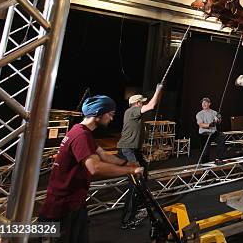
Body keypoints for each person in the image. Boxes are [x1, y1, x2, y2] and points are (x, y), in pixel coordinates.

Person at [38, 95, 144, 243]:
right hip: (62, 208)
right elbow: (95, 167)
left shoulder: (81, 131)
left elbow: (104, 156)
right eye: (110, 114)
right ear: (98, 113)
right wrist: (131, 171)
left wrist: (127, 163)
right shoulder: (80, 135)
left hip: (74, 204)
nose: (111, 119)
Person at [116, 83, 163, 229]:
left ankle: (140, 204)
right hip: (127, 150)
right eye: (141, 102)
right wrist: (158, 90)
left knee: (144, 175)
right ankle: (127, 220)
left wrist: (159, 93)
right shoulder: (132, 111)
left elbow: (153, 103)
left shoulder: (135, 113)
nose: (143, 103)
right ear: (137, 103)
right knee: (135, 183)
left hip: (134, 150)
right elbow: (151, 105)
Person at [196, 97, 226, 164]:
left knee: (221, 136)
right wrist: (210, 125)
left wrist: (218, 119)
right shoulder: (199, 114)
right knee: (205, 152)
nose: (203, 104)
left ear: (209, 104)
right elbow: (201, 125)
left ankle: (219, 159)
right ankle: (205, 168)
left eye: (205, 102)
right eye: (202, 103)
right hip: (204, 134)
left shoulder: (214, 112)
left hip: (213, 133)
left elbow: (219, 121)